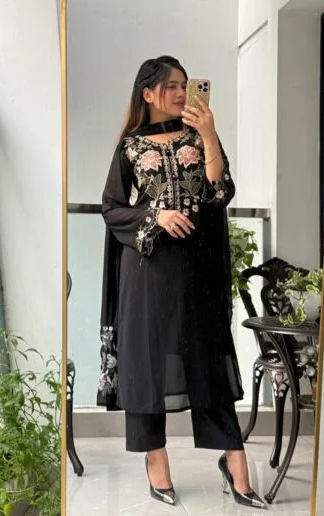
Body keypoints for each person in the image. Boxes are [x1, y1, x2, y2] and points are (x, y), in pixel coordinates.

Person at [98, 55, 266, 509]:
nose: (179, 93)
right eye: (170, 86)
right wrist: (156, 216)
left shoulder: (199, 134)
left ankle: (235, 464)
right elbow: (112, 207)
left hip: (198, 269)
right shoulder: (130, 146)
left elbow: (220, 191)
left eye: (184, 85)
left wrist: (209, 133)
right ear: (148, 93)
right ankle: (156, 462)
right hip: (148, 270)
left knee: (208, 357)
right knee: (148, 362)